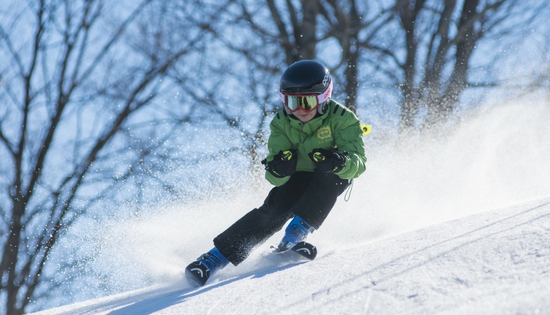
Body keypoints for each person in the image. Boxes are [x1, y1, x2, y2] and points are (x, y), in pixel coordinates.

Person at [185, 60, 367, 286]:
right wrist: (279, 168)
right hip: (298, 176)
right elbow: (273, 175)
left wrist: (339, 161)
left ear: (323, 98)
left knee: (332, 177)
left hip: (329, 174)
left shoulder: (343, 118)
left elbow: (358, 163)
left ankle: (294, 236)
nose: (299, 110)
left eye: (307, 102)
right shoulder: (281, 122)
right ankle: (213, 259)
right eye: (291, 102)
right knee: (274, 209)